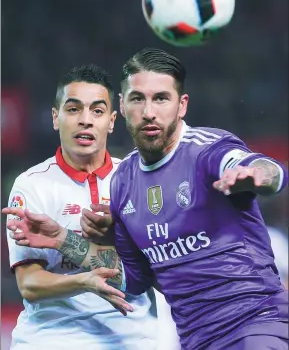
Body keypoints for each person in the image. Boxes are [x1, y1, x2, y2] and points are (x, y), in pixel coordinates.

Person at [5, 48, 288, 350]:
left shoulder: (205, 151)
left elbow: (265, 169)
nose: (149, 111)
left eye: (161, 98)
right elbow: (134, 278)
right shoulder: (124, 182)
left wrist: (258, 174)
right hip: (194, 339)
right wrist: (63, 239)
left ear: (182, 106)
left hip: (253, 323)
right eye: (138, 99)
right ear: (124, 108)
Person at [4, 63, 181, 350]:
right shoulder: (32, 185)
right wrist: (84, 282)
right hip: (53, 338)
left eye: (97, 111)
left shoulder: (142, 180)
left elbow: (166, 274)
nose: (85, 120)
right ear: (55, 117)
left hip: (135, 339)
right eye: (73, 109)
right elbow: (29, 285)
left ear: (111, 121)